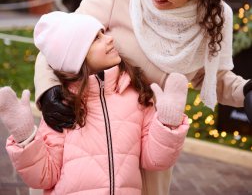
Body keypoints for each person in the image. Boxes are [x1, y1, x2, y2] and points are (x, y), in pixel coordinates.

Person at [34, 0, 252, 195]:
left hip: (151, 146)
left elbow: (210, 77)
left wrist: (246, 91)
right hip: (90, 138)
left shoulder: (215, 17)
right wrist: (49, 91)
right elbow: (59, 41)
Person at [0, 12, 189, 194]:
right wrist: (25, 137)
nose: (109, 39)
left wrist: (167, 122)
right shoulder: (62, 106)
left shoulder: (135, 95)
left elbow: (156, 160)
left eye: (103, 33)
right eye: (96, 38)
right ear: (75, 57)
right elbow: (44, 176)